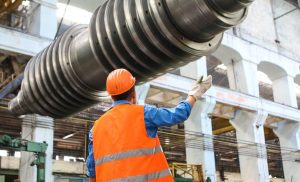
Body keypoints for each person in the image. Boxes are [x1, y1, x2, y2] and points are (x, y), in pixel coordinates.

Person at [87, 68, 212, 182]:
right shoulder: (144, 113)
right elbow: (177, 115)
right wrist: (194, 94)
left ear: (111, 95)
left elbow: (92, 171)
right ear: (133, 91)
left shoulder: (96, 128)